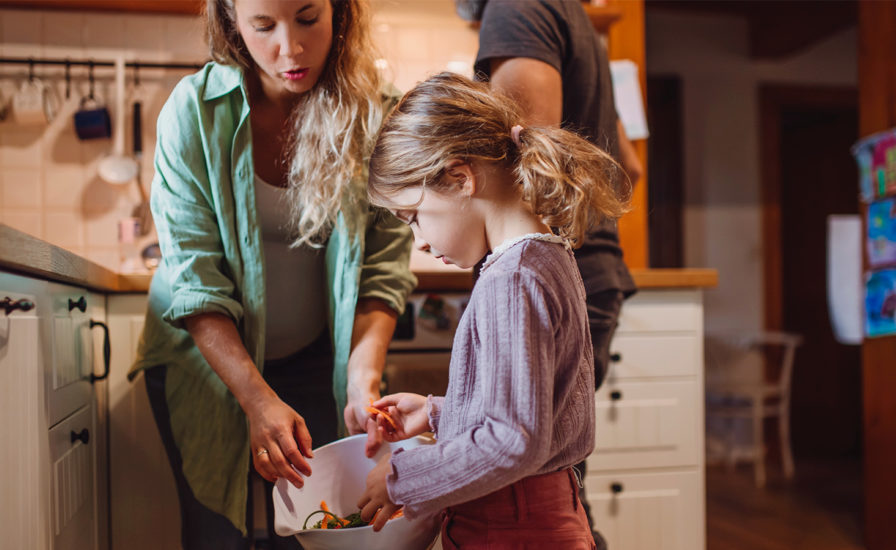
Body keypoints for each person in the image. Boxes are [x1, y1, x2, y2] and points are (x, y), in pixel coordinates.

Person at [127, 1, 416, 548]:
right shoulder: (193, 112)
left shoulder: (376, 114)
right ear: (232, 23)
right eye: (264, 26)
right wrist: (256, 399)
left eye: (308, 18)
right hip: (205, 367)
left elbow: (382, 269)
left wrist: (362, 380)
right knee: (216, 537)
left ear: (339, 12)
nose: (291, 48)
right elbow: (196, 283)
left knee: (316, 528)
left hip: (315, 361)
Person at [355, 72, 631, 549]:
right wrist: (439, 412)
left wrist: (403, 476)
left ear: (460, 178)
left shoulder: (512, 279)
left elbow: (513, 441)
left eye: (414, 217)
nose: (419, 241)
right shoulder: (546, 255)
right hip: (539, 515)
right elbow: (540, 411)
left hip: (511, 526)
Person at [457, 2, 643, 547]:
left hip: (562, 276)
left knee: (543, 500)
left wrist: (404, 478)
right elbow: (628, 168)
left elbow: (525, 164)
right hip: (594, 270)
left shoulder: (515, 8)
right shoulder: (574, 19)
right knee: (561, 489)